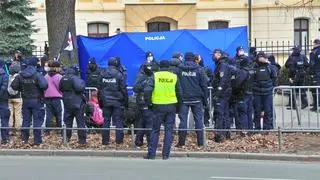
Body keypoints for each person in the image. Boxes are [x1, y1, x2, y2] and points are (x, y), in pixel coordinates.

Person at [144, 60, 182, 160]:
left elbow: (147, 90)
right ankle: (166, 155)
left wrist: (149, 103)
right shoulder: (173, 76)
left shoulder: (155, 76)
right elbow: (179, 93)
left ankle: (151, 154)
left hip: (157, 105)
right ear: (169, 67)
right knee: (169, 130)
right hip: (171, 105)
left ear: (160, 66)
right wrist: (178, 107)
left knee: (155, 130)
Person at [11, 57, 48, 145]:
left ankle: (25, 139)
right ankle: (37, 141)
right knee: (37, 121)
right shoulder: (37, 74)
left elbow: (14, 86)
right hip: (37, 100)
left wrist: (21, 88)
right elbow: (44, 85)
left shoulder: (21, 75)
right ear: (35, 64)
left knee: (26, 121)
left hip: (26, 100)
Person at [176, 52, 208, 147]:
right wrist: (205, 99)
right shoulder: (199, 69)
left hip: (183, 99)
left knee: (183, 121)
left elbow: (176, 84)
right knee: (199, 121)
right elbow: (204, 85)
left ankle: (181, 143)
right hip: (197, 99)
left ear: (185, 59)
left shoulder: (179, 69)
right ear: (194, 59)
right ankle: (200, 143)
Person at [99, 57, 128, 145]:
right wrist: (125, 101)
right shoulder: (119, 74)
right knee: (118, 121)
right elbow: (123, 89)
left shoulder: (102, 73)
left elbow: (99, 88)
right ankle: (119, 141)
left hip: (106, 101)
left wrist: (101, 101)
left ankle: (105, 141)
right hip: (117, 101)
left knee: (106, 121)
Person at [59, 65, 87, 144]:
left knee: (67, 122)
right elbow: (80, 87)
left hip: (67, 102)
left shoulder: (63, 79)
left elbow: (60, 88)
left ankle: (66, 139)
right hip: (77, 103)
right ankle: (82, 140)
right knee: (80, 122)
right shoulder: (75, 78)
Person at [212, 49, 233, 142]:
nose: (213, 56)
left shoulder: (222, 65)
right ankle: (225, 134)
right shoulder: (221, 64)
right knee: (224, 113)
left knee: (220, 114)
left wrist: (218, 93)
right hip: (224, 93)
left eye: (214, 54)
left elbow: (222, 80)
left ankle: (219, 136)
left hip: (222, 94)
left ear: (218, 54)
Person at [252, 52, 277, 130]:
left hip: (267, 92)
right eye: (259, 57)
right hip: (256, 93)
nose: (261, 58)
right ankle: (257, 128)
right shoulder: (254, 67)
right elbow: (251, 78)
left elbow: (275, 77)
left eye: (262, 57)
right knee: (257, 111)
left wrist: (271, 87)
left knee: (268, 110)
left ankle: (267, 128)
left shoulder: (270, 67)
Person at [133, 61, 154, 147]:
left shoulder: (152, 76)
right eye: (148, 66)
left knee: (142, 122)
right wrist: (145, 83)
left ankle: (139, 142)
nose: (149, 68)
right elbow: (135, 88)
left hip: (144, 101)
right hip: (143, 101)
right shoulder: (141, 76)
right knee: (146, 122)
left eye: (150, 66)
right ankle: (148, 142)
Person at [285, 45, 309, 110]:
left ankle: (293, 105)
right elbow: (307, 65)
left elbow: (286, 65)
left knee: (293, 90)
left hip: (294, 76)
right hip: (301, 75)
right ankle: (304, 103)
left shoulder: (291, 57)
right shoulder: (303, 56)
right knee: (301, 89)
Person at [44, 61, 64, 135]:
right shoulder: (59, 77)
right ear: (57, 68)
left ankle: (47, 130)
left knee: (49, 115)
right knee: (59, 114)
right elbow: (61, 88)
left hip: (47, 98)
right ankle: (60, 130)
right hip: (57, 98)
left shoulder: (46, 76)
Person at [7, 62, 22, 135]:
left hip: (9, 98)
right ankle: (17, 130)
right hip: (18, 97)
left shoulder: (8, 77)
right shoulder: (19, 77)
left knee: (10, 114)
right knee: (18, 113)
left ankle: (9, 129)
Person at [0, 59, 10, 144]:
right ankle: (5, 138)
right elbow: (4, 87)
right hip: (3, 99)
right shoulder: (4, 75)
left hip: (3, 99)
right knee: (4, 120)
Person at [310, 39, 320, 111]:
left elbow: (312, 64)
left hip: (316, 73)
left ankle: (316, 106)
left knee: (315, 90)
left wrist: (311, 73)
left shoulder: (315, 51)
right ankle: (316, 106)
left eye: (314, 43)